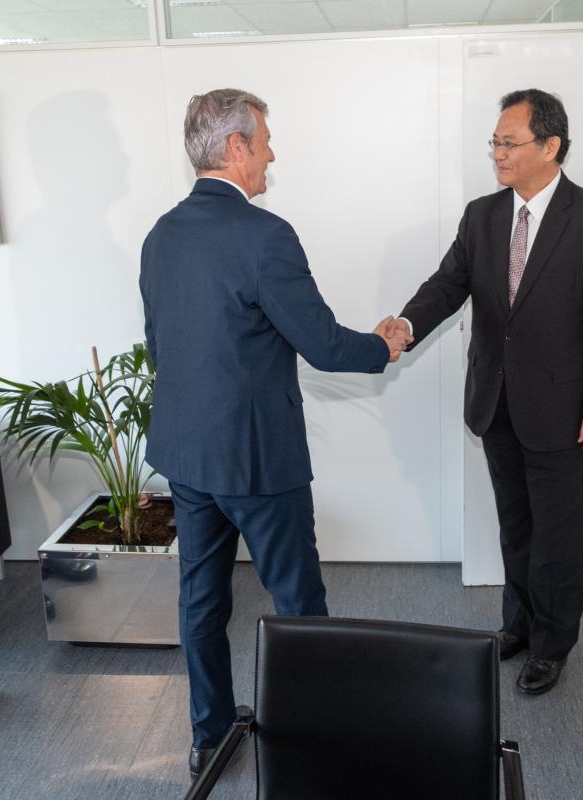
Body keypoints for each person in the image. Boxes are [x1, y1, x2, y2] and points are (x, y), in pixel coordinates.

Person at [140, 88, 412, 778]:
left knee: (201, 598)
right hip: (257, 458)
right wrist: (383, 346)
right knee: (297, 601)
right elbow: (321, 344)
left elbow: (159, 344)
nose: (271, 154)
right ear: (236, 147)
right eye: (263, 142)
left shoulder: (161, 234)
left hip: (186, 453)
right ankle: (312, 738)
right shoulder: (266, 235)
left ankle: (208, 735)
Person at [389, 89, 583, 695]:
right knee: (516, 525)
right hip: (496, 403)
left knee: (557, 535)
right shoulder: (483, 215)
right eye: (494, 142)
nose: (497, 153)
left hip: (565, 411)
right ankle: (519, 625)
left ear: (550, 146)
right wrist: (406, 324)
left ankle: (553, 643)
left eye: (508, 142)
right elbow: (447, 285)